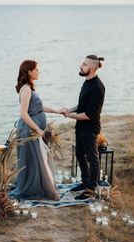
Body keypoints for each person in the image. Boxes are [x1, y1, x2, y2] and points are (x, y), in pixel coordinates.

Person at [9, 60, 64, 201]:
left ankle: (38, 186)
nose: (39, 72)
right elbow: (24, 113)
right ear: (29, 72)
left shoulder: (31, 87)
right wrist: (38, 129)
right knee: (34, 160)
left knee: (37, 160)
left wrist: (57, 111)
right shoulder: (26, 89)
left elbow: (39, 107)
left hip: (32, 129)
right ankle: (33, 189)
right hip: (29, 131)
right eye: (36, 70)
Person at [64, 54, 105, 200]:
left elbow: (88, 114)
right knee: (80, 155)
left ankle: (91, 189)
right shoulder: (87, 82)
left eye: (84, 64)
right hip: (80, 127)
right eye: (82, 63)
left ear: (92, 68)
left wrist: (70, 116)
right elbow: (82, 105)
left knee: (92, 159)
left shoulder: (98, 87)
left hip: (90, 129)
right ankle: (85, 182)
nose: (81, 66)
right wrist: (71, 109)